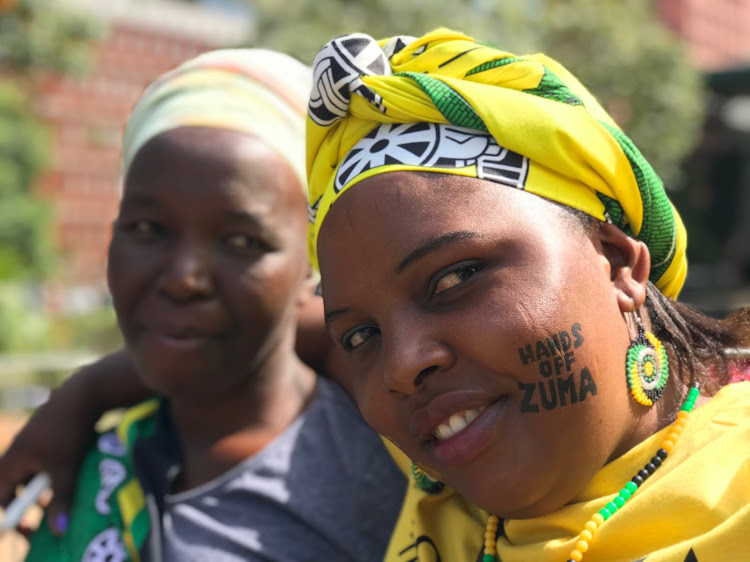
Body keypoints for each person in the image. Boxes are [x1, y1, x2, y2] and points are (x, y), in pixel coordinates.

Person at [305, 29, 750, 561]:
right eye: (361, 336)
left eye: (455, 278)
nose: (401, 367)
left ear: (619, 263)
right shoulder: (442, 501)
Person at [7, 48, 405, 562]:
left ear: (311, 268)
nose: (182, 279)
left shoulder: (382, 473)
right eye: (148, 229)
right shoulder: (101, 449)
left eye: (242, 241)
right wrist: (83, 394)